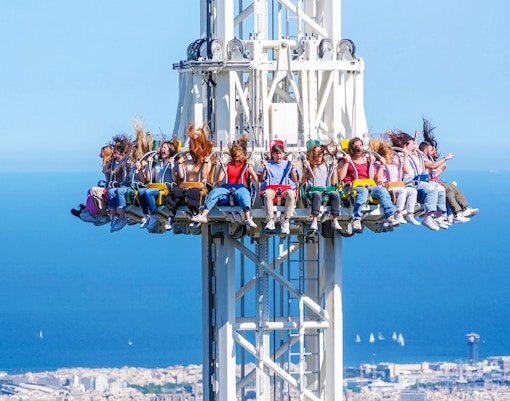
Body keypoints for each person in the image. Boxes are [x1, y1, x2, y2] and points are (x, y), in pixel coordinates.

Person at [191, 135, 258, 228]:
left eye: (238, 155)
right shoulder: (228, 165)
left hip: (240, 187)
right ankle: (203, 216)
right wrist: (221, 166)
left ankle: (248, 218)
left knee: (243, 193)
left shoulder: (245, 165)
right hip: (228, 188)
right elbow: (219, 179)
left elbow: (256, 179)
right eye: (235, 155)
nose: (236, 157)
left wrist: (250, 167)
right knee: (215, 192)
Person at [419, 118, 478, 222]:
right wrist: (445, 159)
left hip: (432, 181)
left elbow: (433, 174)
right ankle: (457, 213)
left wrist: (441, 168)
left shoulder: (428, 158)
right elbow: (432, 167)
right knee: (449, 189)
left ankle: (463, 209)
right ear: (425, 150)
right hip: (427, 183)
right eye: (431, 149)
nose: (433, 151)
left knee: (451, 188)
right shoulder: (422, 158)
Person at [388, 130, 448, 231]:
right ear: (405, 146)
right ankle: (428, 217)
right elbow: (406, 170)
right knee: (432, 189)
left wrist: (415, 140)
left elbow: (420, 168)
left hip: (419, 180)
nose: (415, 146)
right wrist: (406, 156)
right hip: (410, 182)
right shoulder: (399, 157)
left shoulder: (414, 156)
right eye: (412, 144)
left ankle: (439, 216)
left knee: (441, 189)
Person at [337, 137, 398, 232]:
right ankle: (356, 218)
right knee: (363, 192)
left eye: (360, 145)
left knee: (382, 191)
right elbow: (340, 177)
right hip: (353, 186)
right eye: (356, 146)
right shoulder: (345, 160)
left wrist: (371, 164)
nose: (359, 148)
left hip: (368, 185)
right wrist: (346, 163)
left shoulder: (366, 160)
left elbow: (372, 177)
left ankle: (390, 215)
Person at [164, 123, 213, 230]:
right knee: (174, 192)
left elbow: (204, 175)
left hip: (199, 187)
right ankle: (171, 216)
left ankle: (195, 214)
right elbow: (181, 176)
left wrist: (204, 163)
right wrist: (180, 164)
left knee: (191, 193)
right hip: (186, 186)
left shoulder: (205, 162)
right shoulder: (188, 162)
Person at [371, 139, 420, 225]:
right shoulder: (378, 164)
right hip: (385, 186)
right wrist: (382, 166)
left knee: (412, 191)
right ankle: (398, 213)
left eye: (391, 154)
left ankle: (410, 214)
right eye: (389, 155)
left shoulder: (393, 165)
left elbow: (399, 177)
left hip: (395, 185)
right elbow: (378, 180)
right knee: (402, 190)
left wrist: (400, 165)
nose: (391, 156)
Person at [258, 141, 299, 235]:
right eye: (276, 153)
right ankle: (271, 220)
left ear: (283, 154)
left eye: (280, 153)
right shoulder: (268, 164)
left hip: (285, 189)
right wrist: (264, 168)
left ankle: (286, 221)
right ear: (272, 154)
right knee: (267, 193)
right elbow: (260, 179)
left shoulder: (288, 164)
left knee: (291, 193)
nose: (279, 156)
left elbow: (295, 179)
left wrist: (292, 168)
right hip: (271, 189)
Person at [137, 140, 178, 231]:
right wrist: (147, 165)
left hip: (166, 188)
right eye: (162, 147)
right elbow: (148, 179)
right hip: (156, 188)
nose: (162, 149)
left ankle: (153, 215)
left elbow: (175, 179)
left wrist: (171, 165)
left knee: (148, 192)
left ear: (170, 150)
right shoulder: (158, 165)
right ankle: (146, 216)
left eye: (165, 148)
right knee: (141, 192)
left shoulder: (174, 164)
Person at [301, 142, 342, 232]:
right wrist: (305, 170)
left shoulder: (327, 165)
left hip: (326, 190)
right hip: (314, 191)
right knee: (317, 194)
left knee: (335, 194)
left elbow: (333, 182)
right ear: (313, 154)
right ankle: (314, 219)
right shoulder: (310, 166)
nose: (319, 154)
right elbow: (303, 182)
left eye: (321, 152)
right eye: (317, 152)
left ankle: (335, 219)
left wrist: (334, 168)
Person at [107, 137, 134, 232]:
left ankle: (122, 218)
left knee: (120, 191)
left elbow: (115, 172)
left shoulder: (133, 162)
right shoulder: (124, 162)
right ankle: (114, 219)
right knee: (111, 192)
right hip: (125, 184)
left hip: (131, 186)